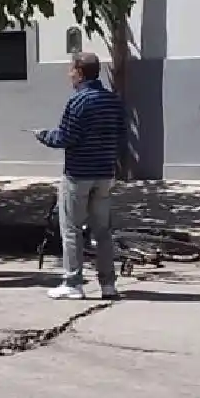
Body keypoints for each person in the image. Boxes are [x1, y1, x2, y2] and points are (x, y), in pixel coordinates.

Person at [35, 51, 126, 301]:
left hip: (79, 174)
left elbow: (66, 137)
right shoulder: (112, 100)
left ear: (80, 72)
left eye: (71, 69)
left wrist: (44, 135)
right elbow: (121, 134)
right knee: (103, 230)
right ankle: (108, 284)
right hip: (105, 173)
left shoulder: (78, 102)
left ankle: (73, 282)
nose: (69, 74)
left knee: (72, 229)